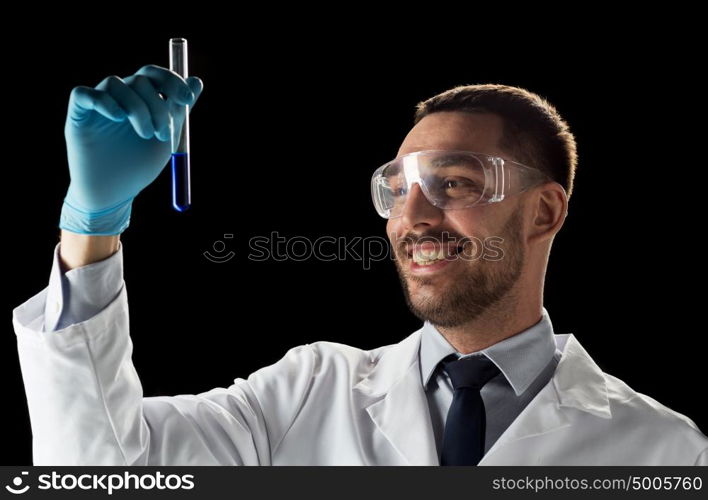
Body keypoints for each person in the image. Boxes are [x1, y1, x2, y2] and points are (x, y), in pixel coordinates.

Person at [12, 65, 708, 466]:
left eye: (455, 183)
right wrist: (89, 227)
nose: (414, 219)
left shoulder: (663, 448)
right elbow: (97, 469)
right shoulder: (306, 392)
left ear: (545, 213)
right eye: (398, 190)